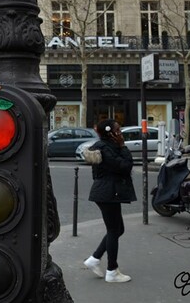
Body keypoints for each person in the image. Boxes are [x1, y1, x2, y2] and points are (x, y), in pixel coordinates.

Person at [83, 119, 136, 283]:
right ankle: (112, 271)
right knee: (114, 230)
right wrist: (123, 147)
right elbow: (125, 166)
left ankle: (94, 259)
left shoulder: (103, 147)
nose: (120, 133)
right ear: (109, 132)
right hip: (109, 193)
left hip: (107, 192)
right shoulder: (106, 149)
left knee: (118, 229)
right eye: (118, 130)